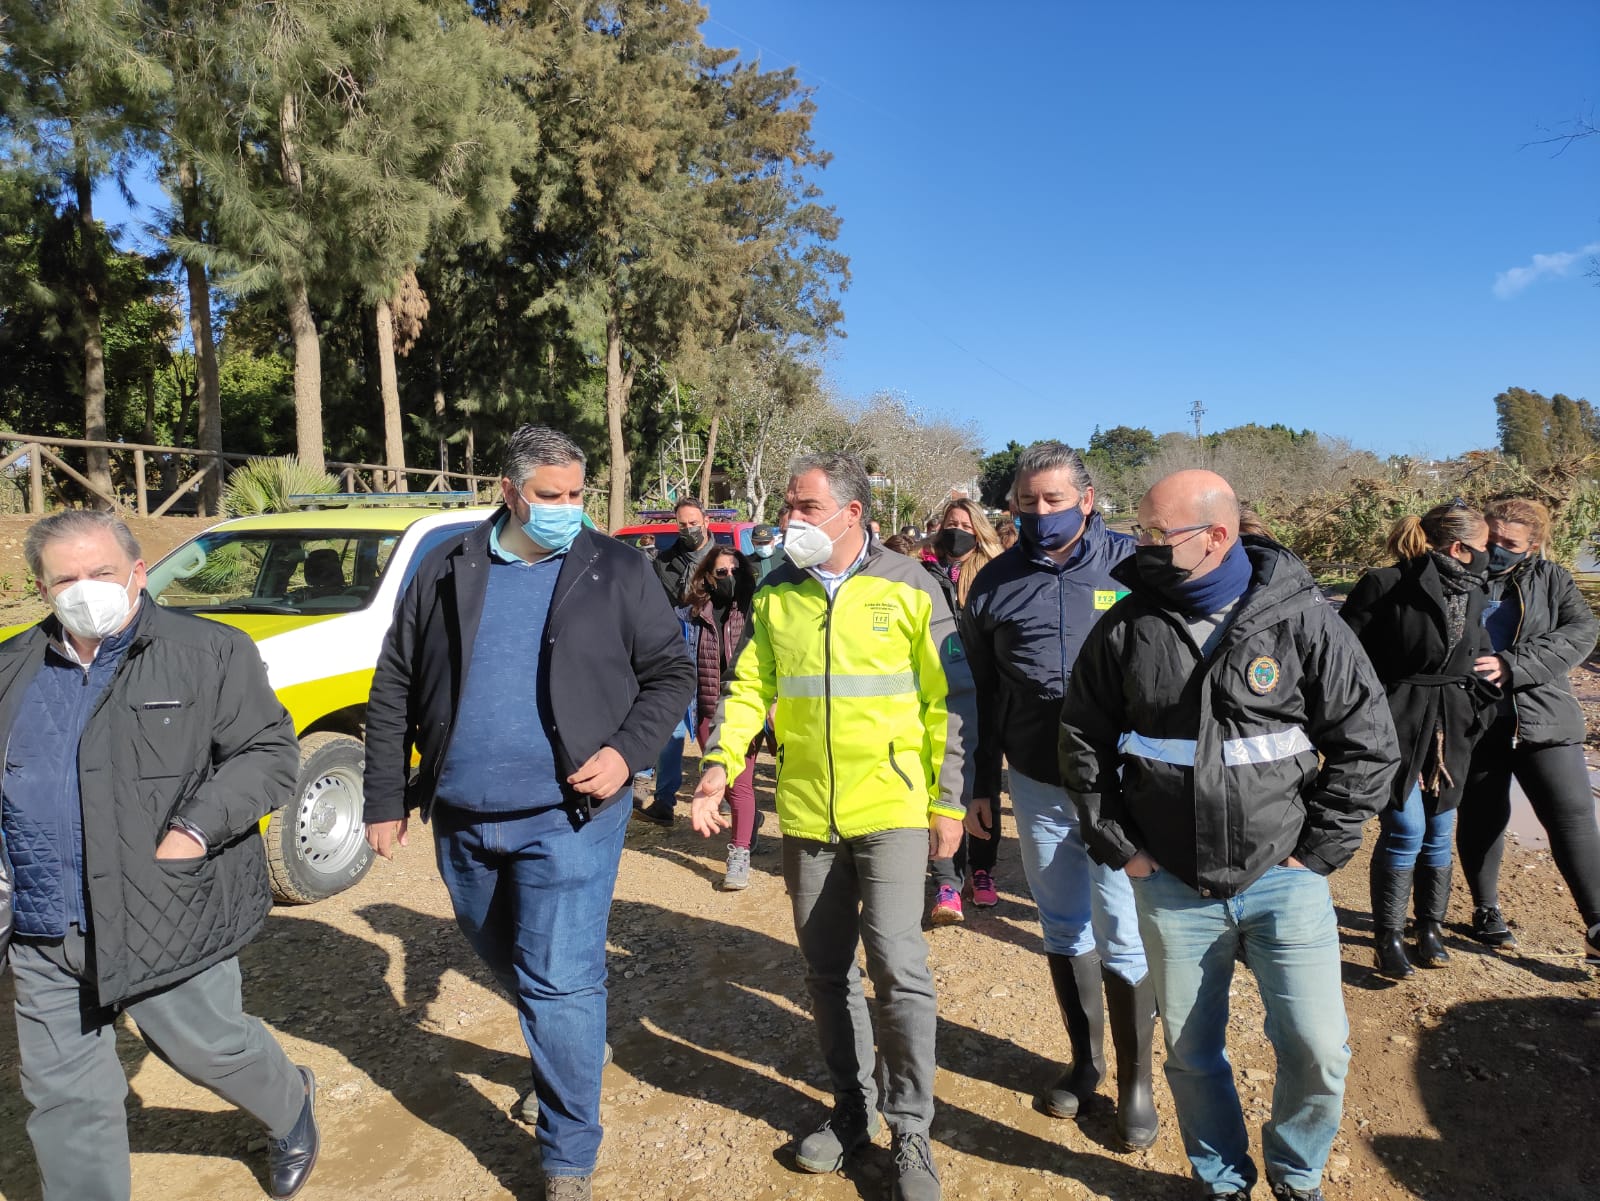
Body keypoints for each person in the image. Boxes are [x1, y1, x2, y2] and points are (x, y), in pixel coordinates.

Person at [363, 425, 694, 1201]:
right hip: (462, 816)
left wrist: (626, 754)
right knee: (504, 951)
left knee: (560, 979)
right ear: (510, 491)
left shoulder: (617, 568)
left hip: (571, 816)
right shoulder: (446, 566)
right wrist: (384, 794)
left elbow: (670, 672)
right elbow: (395, 682)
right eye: (551, 495)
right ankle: (570, 1038)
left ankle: (567, 1158)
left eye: (577, 493)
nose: (568, 508)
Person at [1060, 469, 1398, 1201]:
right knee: (1191, 1054)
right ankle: (1223, 1180)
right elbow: (1082, 739)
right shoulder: (1125, 625)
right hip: (1172, 882)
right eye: (1140, 530)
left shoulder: (1303, 619)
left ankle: (1297, 1173)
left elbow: (1368, 741)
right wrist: (1122, 846)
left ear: (1216, 536)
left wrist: (1319, 852)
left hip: (1285, 878)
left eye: (1157, 534)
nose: (1140, 545)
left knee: (1318, 1048)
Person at [0, 510, 318, 1201]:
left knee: (208, 1047)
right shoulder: (11, 666)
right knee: (64, 1099)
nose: (86, 589)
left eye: (102, 572)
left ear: (138, 573)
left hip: (161, 908)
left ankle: (290, 1099)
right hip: (43, 924)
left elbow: (267, 754)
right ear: (42, 588)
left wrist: (192, 832)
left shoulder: (209, 651)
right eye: (66, 579)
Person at [688, 451, 975, 1201]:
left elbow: (950, 701)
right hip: (809, 812)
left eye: (806, 507)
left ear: (852, 513)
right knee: (826, 972)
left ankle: (911, 1129)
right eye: (788, 506)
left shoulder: (911, 584)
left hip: (892, 810)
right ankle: (854, 1108)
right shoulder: (778, 588)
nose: (791, 519)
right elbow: (751, 685)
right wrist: (719, 761)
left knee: (899, 968)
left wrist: (948, 802)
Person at [959, 442, 1156, 1148]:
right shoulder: (993, 584)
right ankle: (1086, 1064)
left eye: (1054, 499)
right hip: (1037, 783)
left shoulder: (1134, 567)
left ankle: (1137, 1084)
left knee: (1122, 928)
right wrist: (979, 784)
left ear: (1087, 499)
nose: (1040, 513)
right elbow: (979, 695)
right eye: (1027, 502)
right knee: (1063, 924)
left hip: (1122, 786)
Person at [1340, 503, 1500, 978]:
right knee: (1406, 829)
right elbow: (1343, 657)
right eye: (1484, 547)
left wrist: (1483, 690)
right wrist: (1362, 718)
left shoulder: (1474, 591)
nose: (1489, 555)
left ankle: (1430, 927)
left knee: (1439, 832)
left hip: (1452, 725)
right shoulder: (1385, 584)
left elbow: (1479, 647)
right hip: (1395, 723)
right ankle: (1387, 936)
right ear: (1459, 547)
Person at [1455, 497, 1600, 960]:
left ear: (1532, 546)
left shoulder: (1552, 579)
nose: (1497, 548)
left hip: (1544, 718)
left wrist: (1513, 664)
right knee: (1482, 816)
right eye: (1492, 537)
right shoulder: (1459, 572)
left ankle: (1597, 925)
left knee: (1573, 819)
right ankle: (1486, 909)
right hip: (1474, 721)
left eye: (1510, 544)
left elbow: (1581, 632)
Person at [921, 498, 1003, 924]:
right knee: (944, 783)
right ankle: (946, 880)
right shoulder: (922, 573)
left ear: (980, 531)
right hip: (940, 691)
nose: (957, 531)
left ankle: (983, 869)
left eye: (966, 525)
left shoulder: (994, 574)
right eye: (951, 523)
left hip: (985, 695)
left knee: (984, 784)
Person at [684, 546, 764, 888]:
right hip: (706, 706)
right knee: (721, 778)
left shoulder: (754, 609)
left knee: (740, 782)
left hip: (742, 707)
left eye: (735, 571)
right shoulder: (692, 613)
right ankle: (751, 819)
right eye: (721, 572)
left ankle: (739, 853)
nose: (730, 577)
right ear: (708, 576)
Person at [655, 497, 715, 604]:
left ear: (706, 522)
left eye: (693, 523)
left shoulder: (725, 560)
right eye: (682, 525)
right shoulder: (663, 563)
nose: (688, 529)